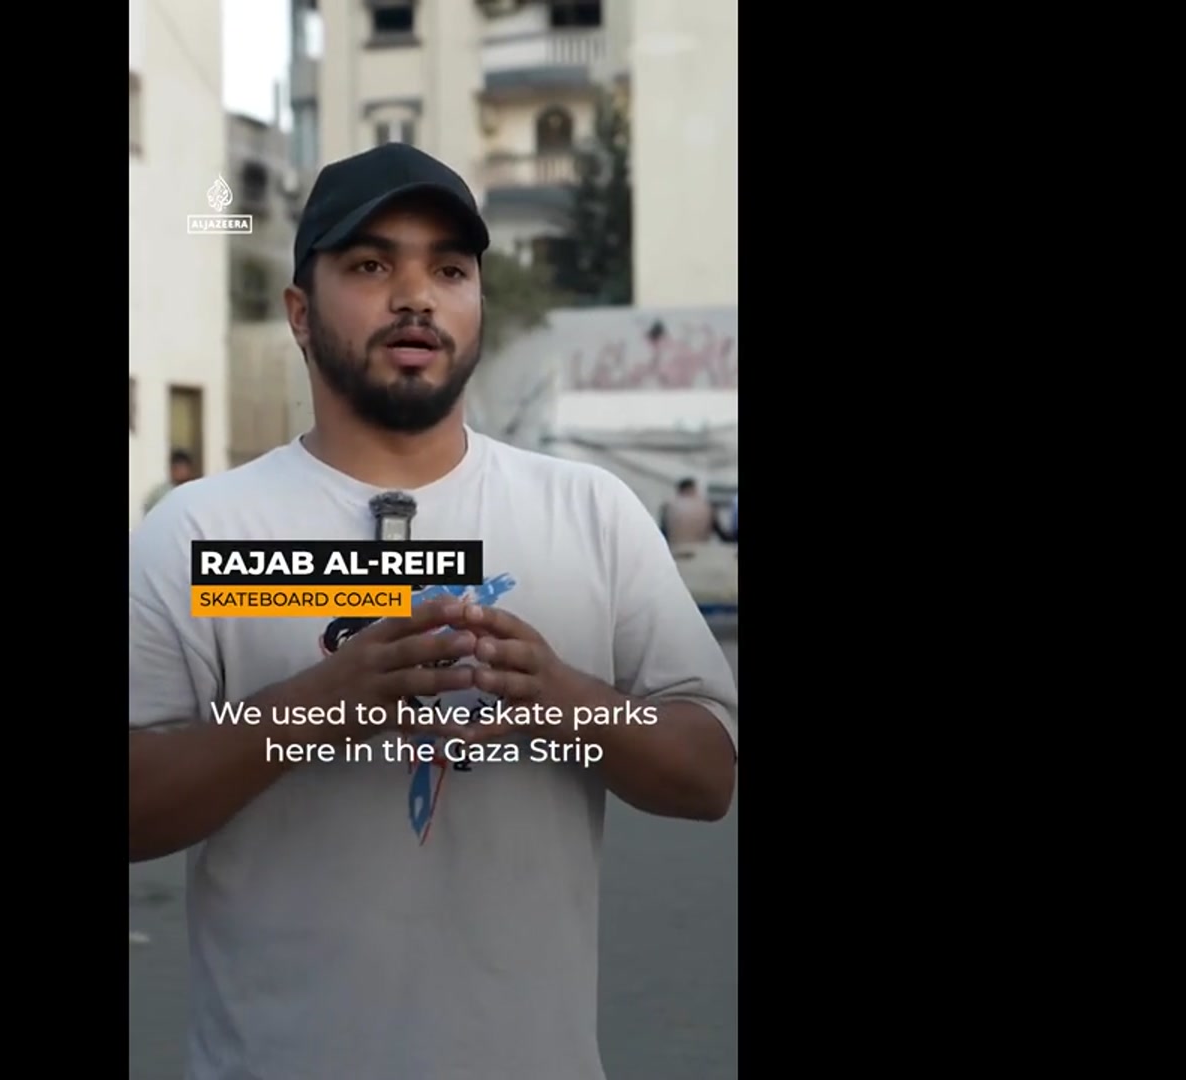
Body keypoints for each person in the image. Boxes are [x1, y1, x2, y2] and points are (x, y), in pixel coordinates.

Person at [128, 142, 738, 1080]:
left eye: (449, 269)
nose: (416, 295)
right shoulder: (205, 532)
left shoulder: (590, 513)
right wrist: (309, 715)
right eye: (372, 265)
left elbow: (708, 778)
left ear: (478, 307)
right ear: (299, 312)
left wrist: (568, 702)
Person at [660, 477, 732, 544]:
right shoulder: (707, 506)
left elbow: (662, 533)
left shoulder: (668, 507)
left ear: (679, 490)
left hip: (675, 551)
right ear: (693, 489)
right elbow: (722, 535)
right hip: (698, 552)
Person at [141, 449, 196, 517]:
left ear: (189, 469)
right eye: (176, 468)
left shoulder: (194, 491)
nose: (179, 472)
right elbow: (148, 511)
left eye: (182, 468)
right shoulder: (160, 493)